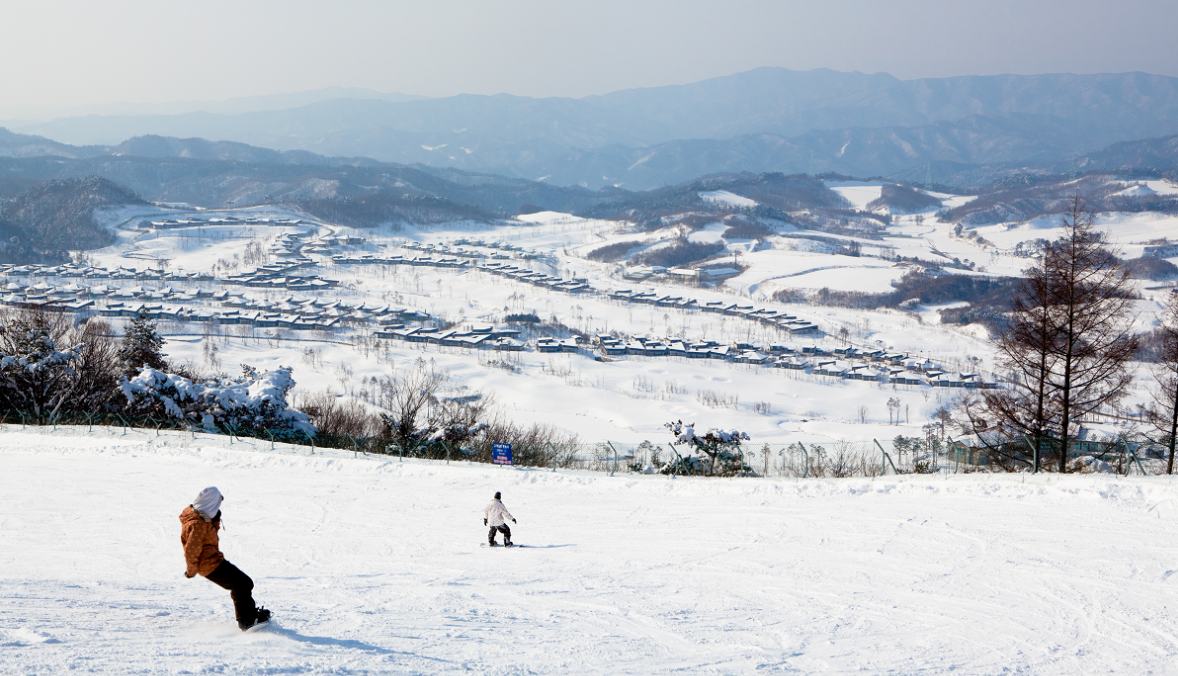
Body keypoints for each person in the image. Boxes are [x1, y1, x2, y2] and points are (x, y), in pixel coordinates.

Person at [180, 486, 272, 631]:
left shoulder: (202, 517)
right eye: (217, 503)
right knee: (242, 584)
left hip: (214, 560)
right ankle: (247, 621)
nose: (218, 507)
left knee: (243, 583)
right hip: (208, 565)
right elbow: (191, 551)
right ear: (210, 503)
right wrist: (191, 571)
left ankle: (249, 616)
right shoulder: (198, 524)